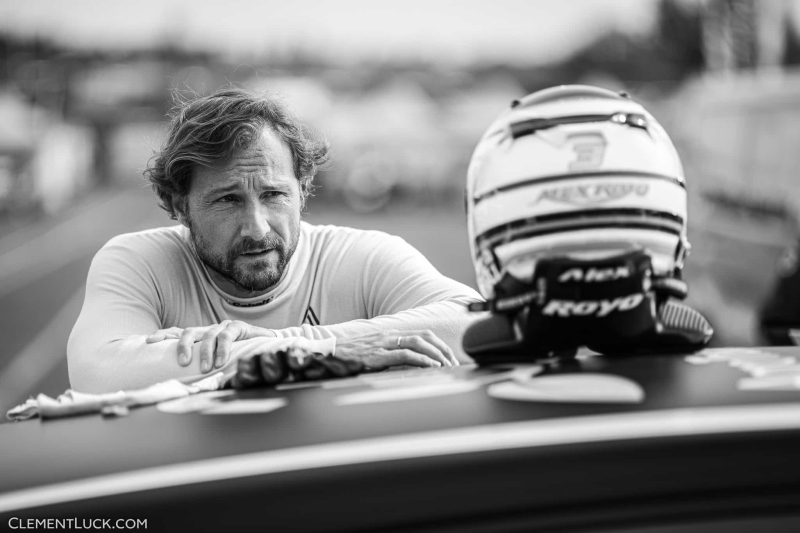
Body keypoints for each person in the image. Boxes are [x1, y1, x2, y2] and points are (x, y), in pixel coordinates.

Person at [67, 88, 482, 394]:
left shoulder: (361, 257)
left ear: (303, 189)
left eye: (273, 195)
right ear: (178, 204)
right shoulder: (140, 262)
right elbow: (96, 373)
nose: (258, 229)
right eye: (228, 200)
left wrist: (287, 347)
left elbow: (479, 323)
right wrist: (333, 349)